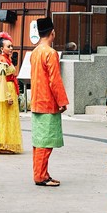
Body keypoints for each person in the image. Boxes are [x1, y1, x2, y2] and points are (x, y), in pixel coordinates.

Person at [30, 17, 69, 187]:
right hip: (48, 102)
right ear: (52, 33)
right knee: (46, 142)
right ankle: (40, 176)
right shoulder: (50, 53)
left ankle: (41, 173)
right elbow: (55, 80)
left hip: (36, 100)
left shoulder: (35, 52)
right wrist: (62, 101)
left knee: (39, 141)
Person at [0, 32, 23, 154]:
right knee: (2, 116)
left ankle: (2, 143)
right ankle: (0, 145)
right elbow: (2, 78)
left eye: (12, 46)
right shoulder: (2, 60)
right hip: (4, 88)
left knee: (5, 116)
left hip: (7, 87)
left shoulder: (6, 59)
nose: (11, 48)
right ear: (2, 48)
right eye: (8, 46)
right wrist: (7, 95)